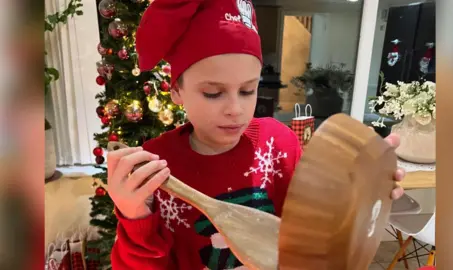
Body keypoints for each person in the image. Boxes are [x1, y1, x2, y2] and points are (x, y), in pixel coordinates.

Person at [108, 0, 405, 269]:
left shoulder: (280, 143)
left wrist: (364, 193)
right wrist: (135, 215)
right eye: (213, 93)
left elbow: (317, 232)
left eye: (248, 90)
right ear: (176, 90)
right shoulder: (156, 165)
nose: (235, 109)